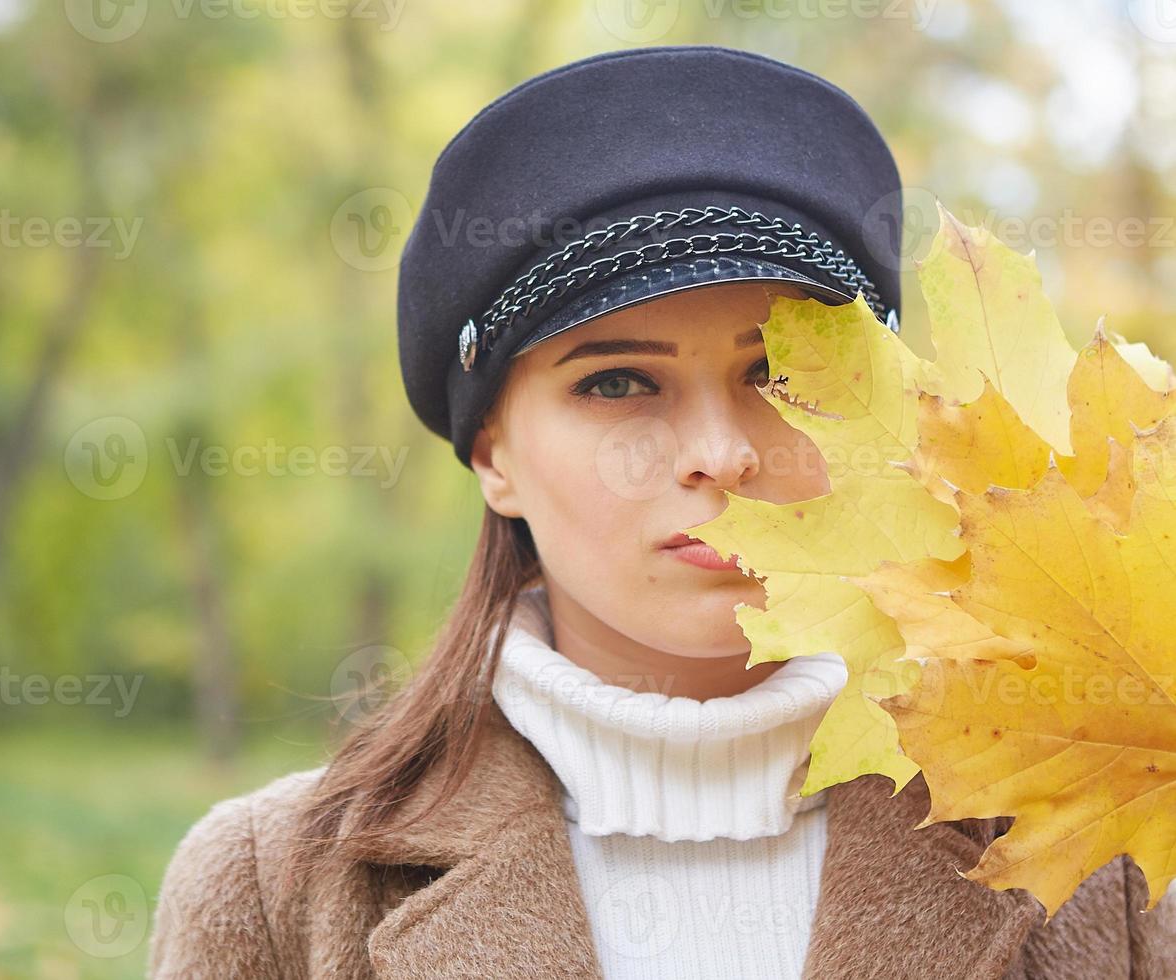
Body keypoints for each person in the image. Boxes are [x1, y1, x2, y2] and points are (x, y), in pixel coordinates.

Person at [147, 45, 1176, 979]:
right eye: (616, 384)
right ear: (494, 454)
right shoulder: (270, 886)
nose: (720, 452)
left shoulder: (1110, 838)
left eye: (780, 373)